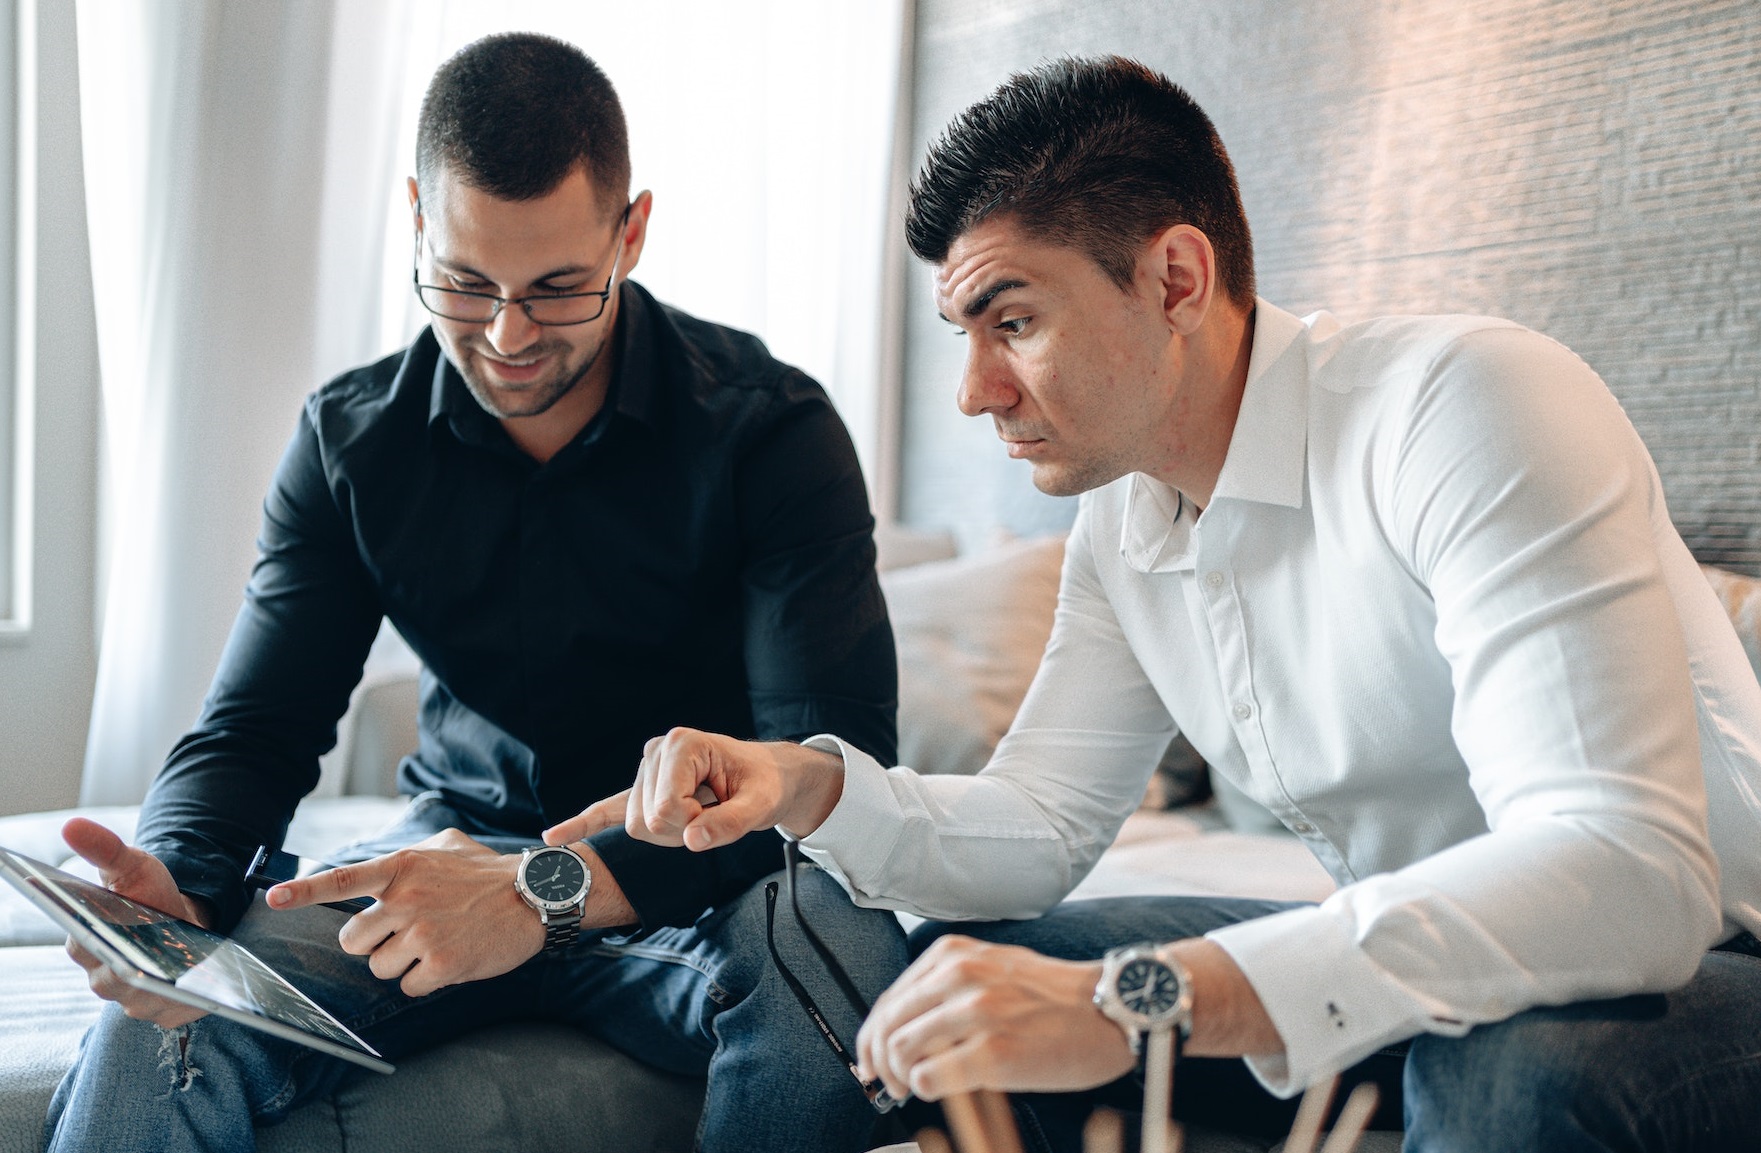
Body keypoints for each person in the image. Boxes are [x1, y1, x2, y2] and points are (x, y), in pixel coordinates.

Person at [557, 55, 1761, 1151]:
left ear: (1176, 277)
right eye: (963, 336)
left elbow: (1625, 874)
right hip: (1408, 966)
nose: (977, 393)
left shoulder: (1465, 405)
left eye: (1014, 321)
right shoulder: (1125, 526)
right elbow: (1038, 824)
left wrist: (1145, 997)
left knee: (1515, 1065)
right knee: (964, 986)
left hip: (1705, 961)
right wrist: (807, 786)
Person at [46, 32, 909, 1153]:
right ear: (416, 215)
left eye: (558, 290)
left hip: (704, 885)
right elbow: (259, 726)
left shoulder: (771, 431)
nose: (505, 337)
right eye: (464, 282)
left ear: (632, 231)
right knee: (165, 1023)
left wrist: (542, 889)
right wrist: (181, 879)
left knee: (838, 941)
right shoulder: (353, 440)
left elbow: (830, 769)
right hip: (441, 863)